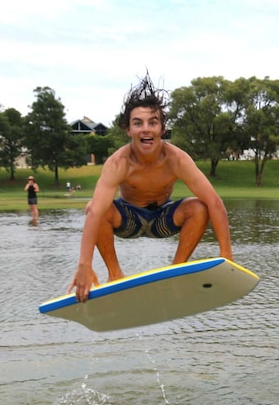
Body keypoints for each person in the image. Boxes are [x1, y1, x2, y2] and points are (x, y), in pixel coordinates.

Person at [68, 73, 233, 302]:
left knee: (200, 207)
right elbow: (96, 212)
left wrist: (227, 258)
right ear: (129, 130)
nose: (146, 129)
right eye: (138, 123)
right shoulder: (118, 162)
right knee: (95, 207)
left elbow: (215, 203)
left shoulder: (177, 159)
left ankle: (176, 271)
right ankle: (115, 275)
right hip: (129, 220)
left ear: (162, 128)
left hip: (162, 219)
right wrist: (84, 265)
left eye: (152, 123)